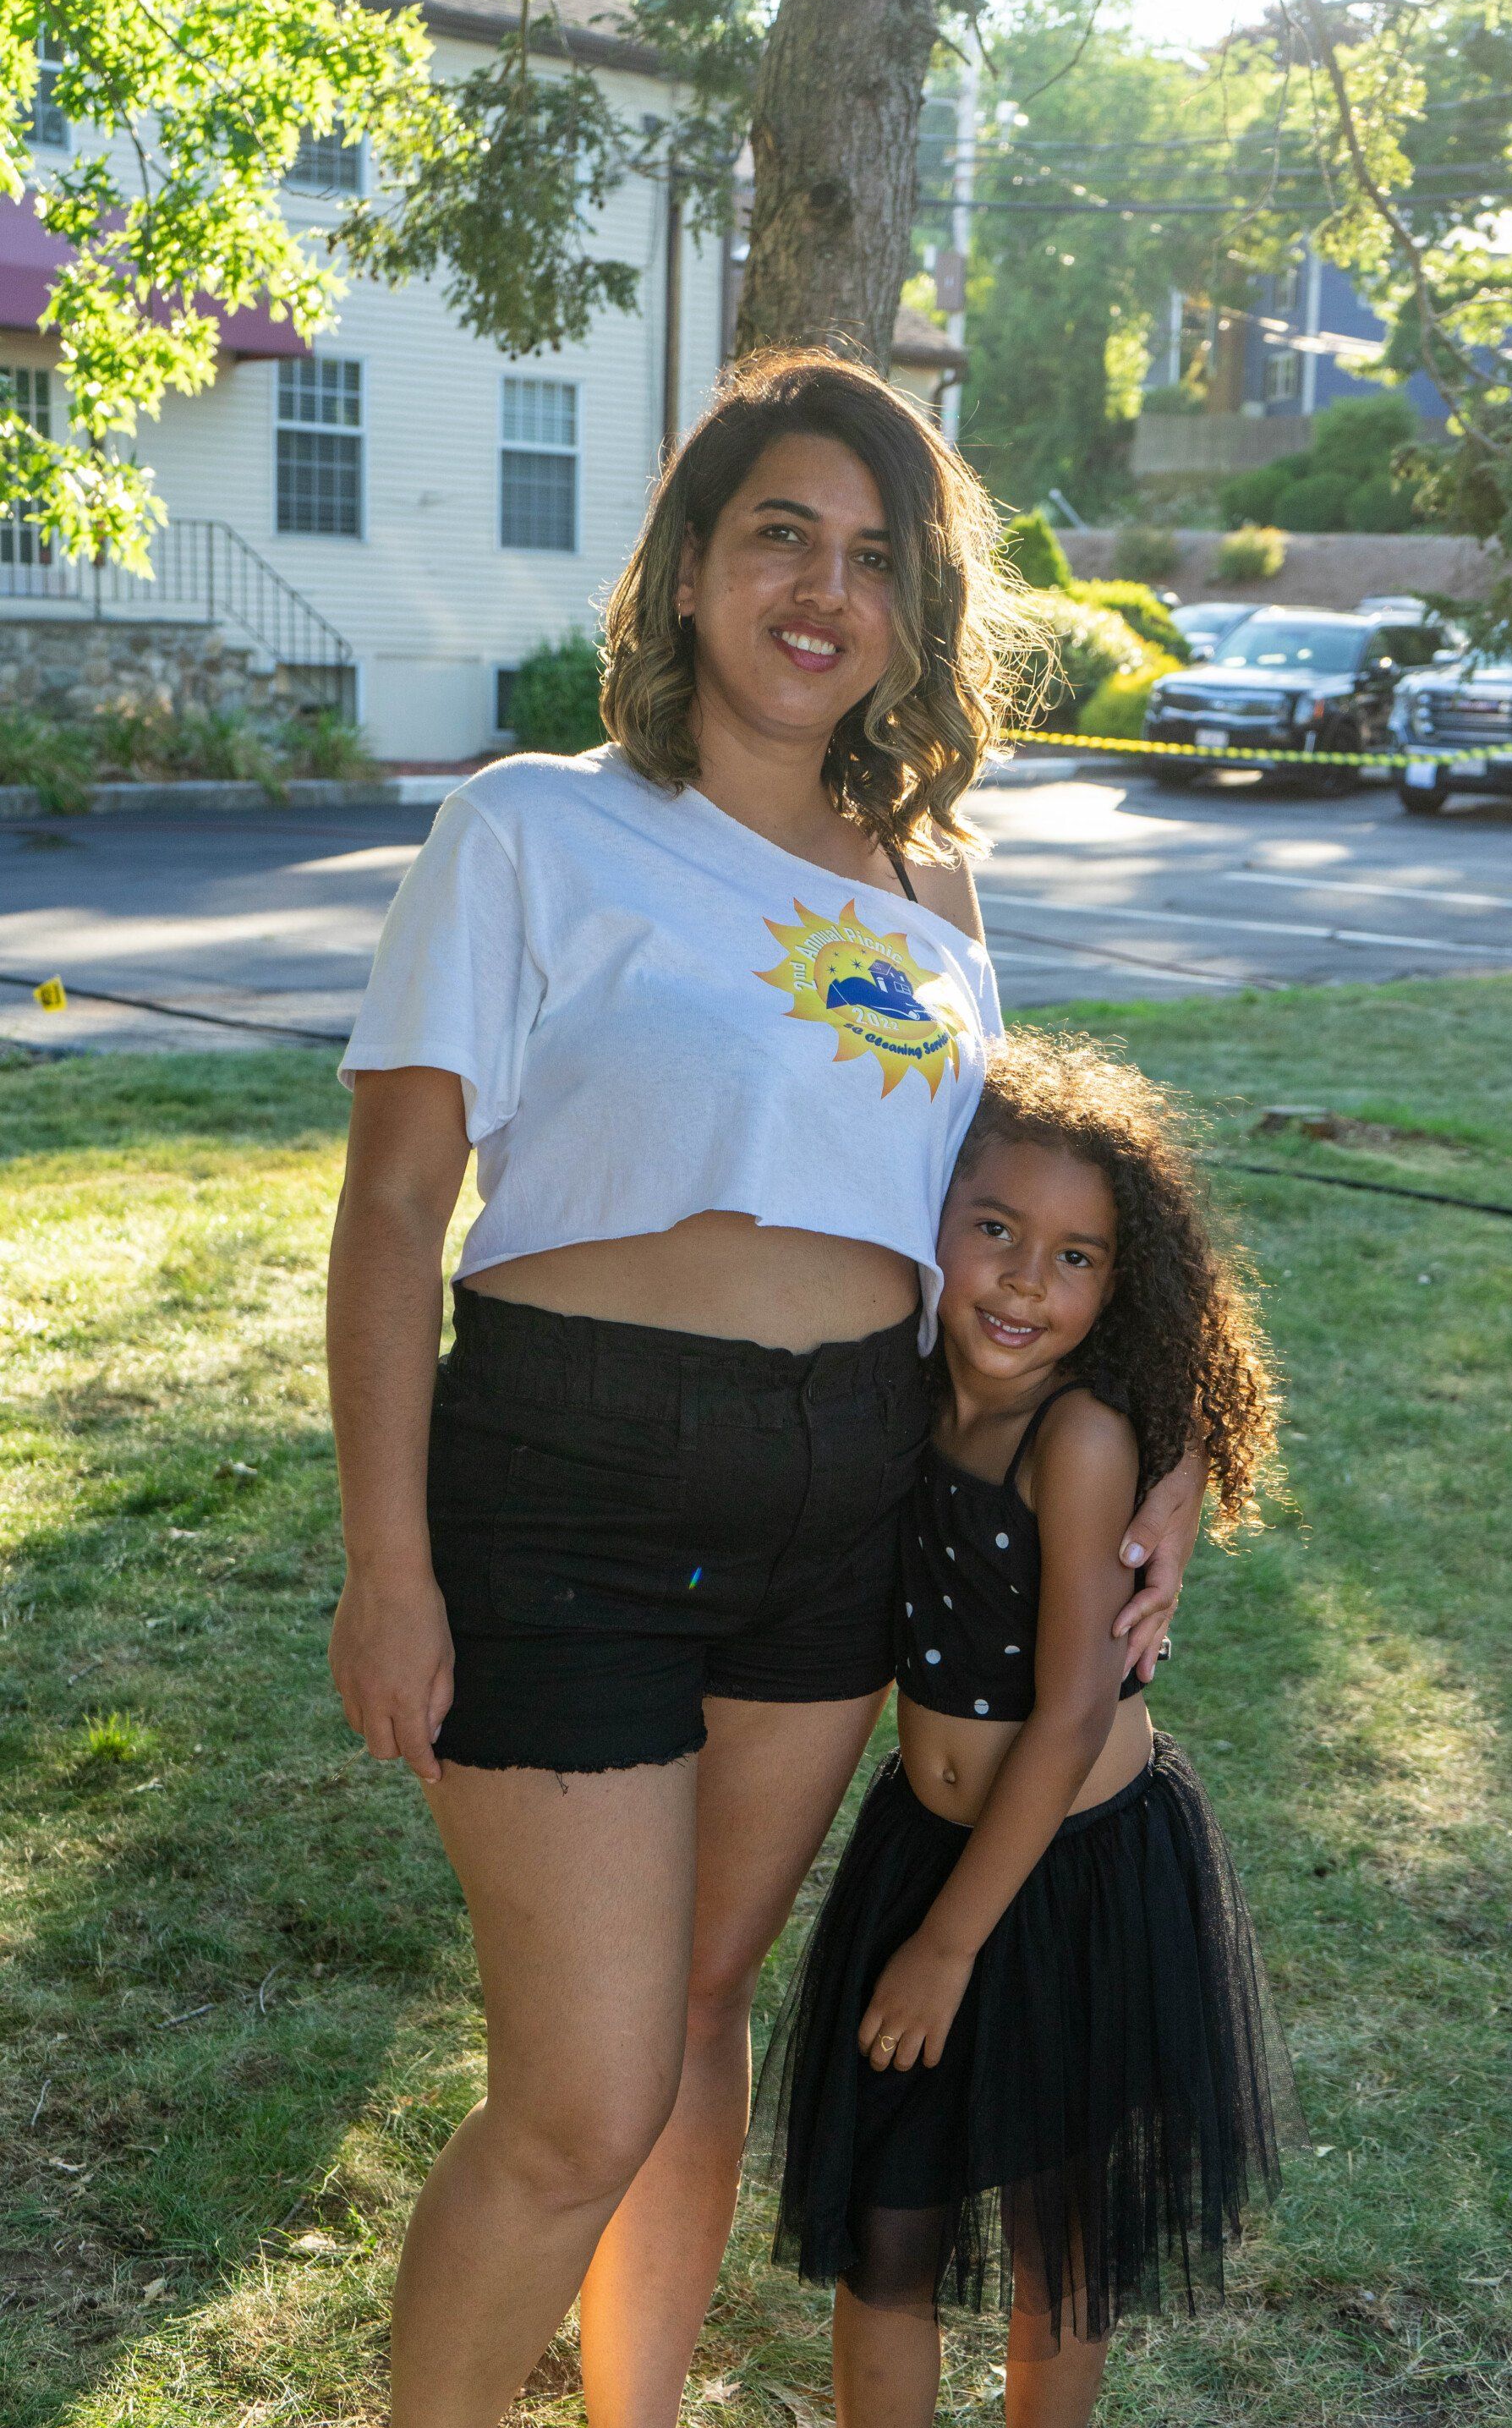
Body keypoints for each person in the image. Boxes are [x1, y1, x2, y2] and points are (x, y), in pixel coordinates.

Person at [324, 347, 1210, 2428]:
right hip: (564, 1478)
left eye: (876, 559)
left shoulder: (935, 888)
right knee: (580, 2093)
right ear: (693, 572)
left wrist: (1167, 1455)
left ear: (918, 614)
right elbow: (392, 1212)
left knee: (708, 2010)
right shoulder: (533, 827)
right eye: (780, 538)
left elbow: (1045, 1212)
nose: (824, 592)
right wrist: (387, 1560)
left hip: (846, 1498)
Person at [754, 1028, 1297, 2428]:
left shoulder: (1082, 1442)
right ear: (928, 1213)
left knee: (1064, 2252)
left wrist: (947, 1950)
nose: (1024, 1280)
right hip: (926, 1849)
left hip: (1073, 1883)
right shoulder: (897, 1394)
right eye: (994, 1229)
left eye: (1076, 1258)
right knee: (887, 2239)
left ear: (1120, 1286)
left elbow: (1066, 1719)